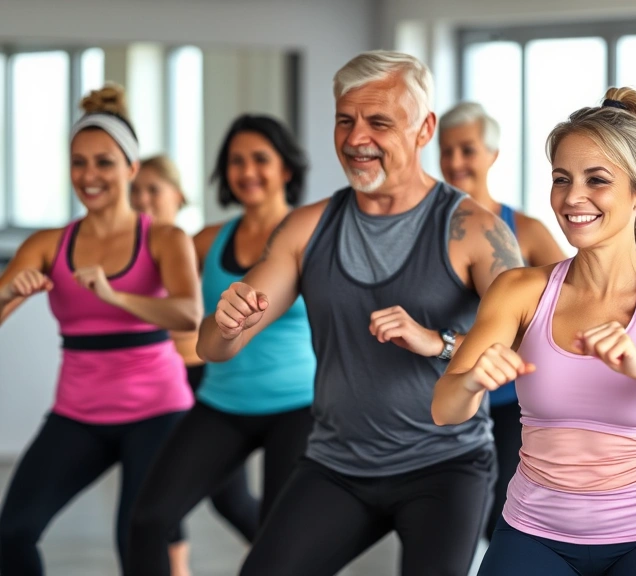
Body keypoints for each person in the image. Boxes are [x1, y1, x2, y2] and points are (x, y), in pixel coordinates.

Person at [195, 51, 523, 576]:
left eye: (379, 122)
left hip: (447, 465)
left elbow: (527, 346)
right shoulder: (307, 228)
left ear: (423, 129)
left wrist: (435, 342)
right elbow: (214, 347)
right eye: (345, 120)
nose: (355, 139)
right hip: (337, 465)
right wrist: (226, 320)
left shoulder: (476, 231)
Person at [433, 87, 636, 576]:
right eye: (561, 179)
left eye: (597, 180)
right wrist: (470, 381)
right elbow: (445, 410)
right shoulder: (519, 290)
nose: (573, 197)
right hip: (533, 532)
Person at [0, 83, 199, 575]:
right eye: (79, 162)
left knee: (136, 541)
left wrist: (115, 296)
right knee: (11, 534)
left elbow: (189, 315)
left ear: (131, 168)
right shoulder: (49, 244)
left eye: (104, 162)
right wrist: (8, 292)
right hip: (78, 412)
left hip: (157, 411)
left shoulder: (165, 238)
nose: (89, 175)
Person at [126, 115, 315, 576]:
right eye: (236, 161)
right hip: (221, 402)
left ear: (286, 170)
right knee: (148, 521)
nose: (247, 170)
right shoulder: (208, 241)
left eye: (260, 159)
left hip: (298, 407)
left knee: (276, 544)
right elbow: (151, 279)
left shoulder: (311, 238)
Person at [438, 101, 566, 538]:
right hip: (445, 395)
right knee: (452, 524)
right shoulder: (427, 228)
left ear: (492, 155)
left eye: (467, 150)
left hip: (513, 401)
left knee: (503, 521)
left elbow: (572, 302)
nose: (456, 162)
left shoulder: (526, 230)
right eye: (447, 150)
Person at [130, 155, 260, 565]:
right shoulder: (132, 252)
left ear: (178, 195)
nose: (143, 199)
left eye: (153, 189)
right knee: (157, 487)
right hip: (156, 382)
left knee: (231, 500)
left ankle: (292, 555)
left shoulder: (190, 246)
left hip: (200, 379)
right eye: (135, 190)